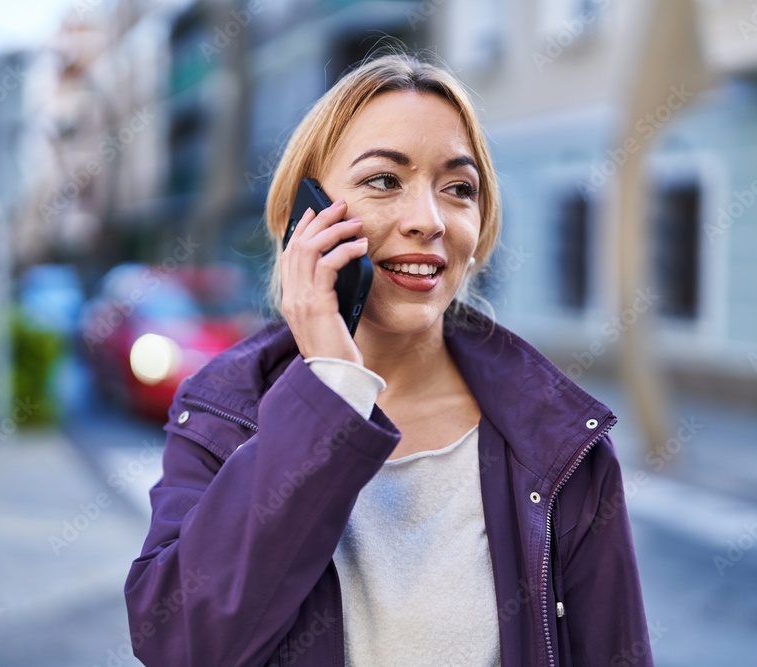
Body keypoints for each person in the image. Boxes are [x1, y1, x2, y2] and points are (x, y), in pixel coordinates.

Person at [124, 52, 652, 667]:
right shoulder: (223, 412)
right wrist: (331, 386)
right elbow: (184, 644)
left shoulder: (562, 443)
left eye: (458, 189)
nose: (428, 221)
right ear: (305, 214)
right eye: (384, 180)